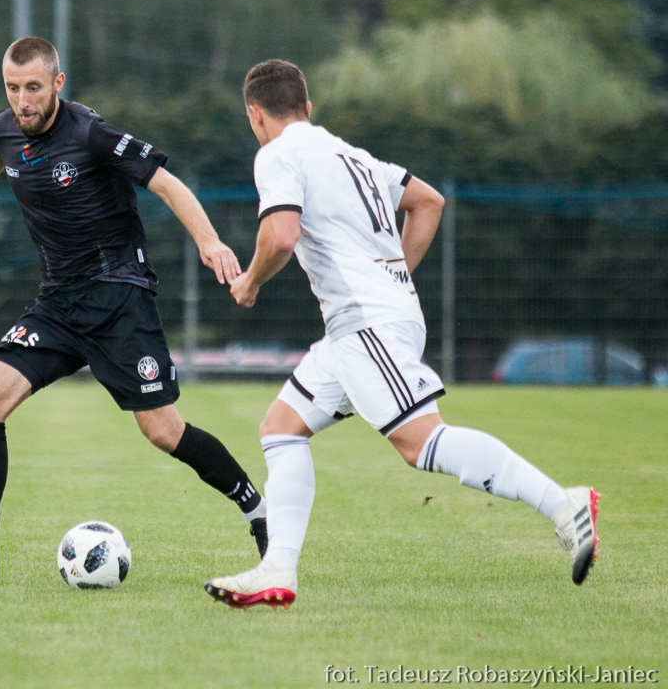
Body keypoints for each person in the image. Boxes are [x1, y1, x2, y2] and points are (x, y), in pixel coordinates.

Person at [204, 60, 599, 609]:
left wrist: (248, 282)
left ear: (255, 114)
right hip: (359, 326)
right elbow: (428, 201)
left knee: (421, 443)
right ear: (309, 108)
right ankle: (279, 570)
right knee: (281, 428)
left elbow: (281, 234)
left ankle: (564, 503)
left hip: (366, 324)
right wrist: (394, 277)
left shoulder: (277, 154)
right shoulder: (353, 156)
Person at [0, 36, 268, 583]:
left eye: (33, 88)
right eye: (12, 88)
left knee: (163, 431)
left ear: (58, 82)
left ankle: (259, 512)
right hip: (57, 303)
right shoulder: (5, 127)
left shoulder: (91, 133)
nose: (22, 101)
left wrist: (210, 241)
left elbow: (168, 185)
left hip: (118, 296)